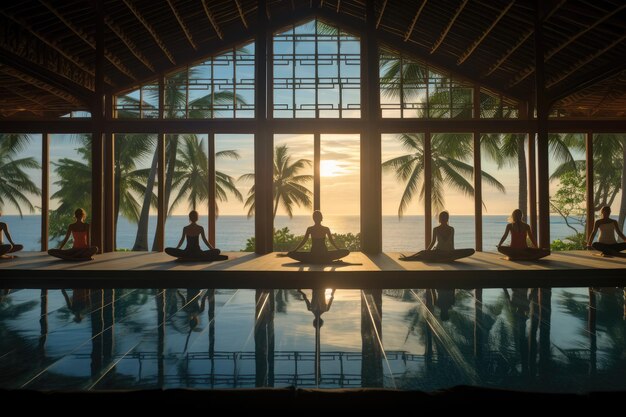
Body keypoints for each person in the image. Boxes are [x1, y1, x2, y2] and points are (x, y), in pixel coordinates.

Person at [400, 211, 474, 262]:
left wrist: (427, 251)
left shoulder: (436, 229)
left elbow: (433, 242)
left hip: (440, 252)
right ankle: (409, 258)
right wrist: (452, 252)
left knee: (422, 253)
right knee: (423, 252)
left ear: (440, 219)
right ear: (447, 219)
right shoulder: (451, 229)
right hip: (447, 252)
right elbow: (452, 242)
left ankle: (408, 258)